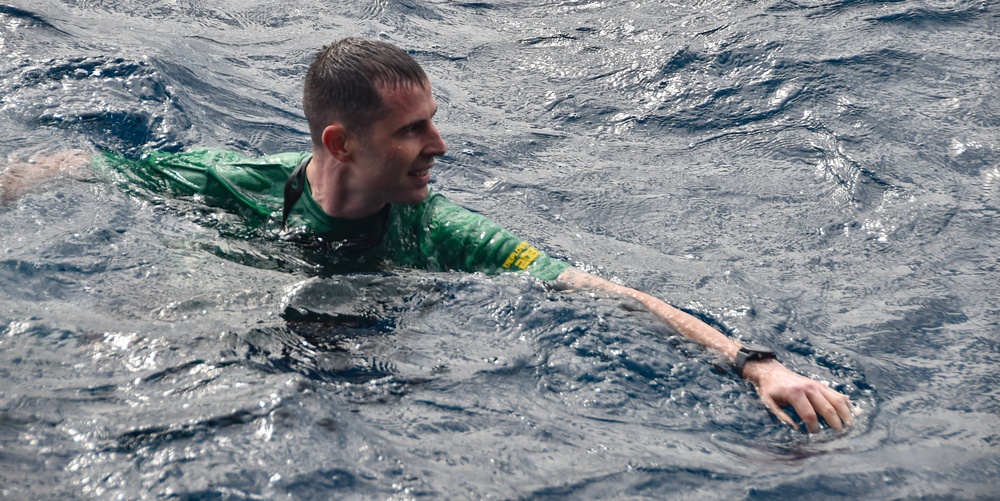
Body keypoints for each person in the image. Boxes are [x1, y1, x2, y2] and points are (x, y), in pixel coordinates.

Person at [5, 38, 855, 433]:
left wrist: (755, 360)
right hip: (220, 332)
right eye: (414, 130)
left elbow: (608, 293)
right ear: (341, 143)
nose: (440, 148)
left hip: (354, 375)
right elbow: (74, 164)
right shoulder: (231, 182)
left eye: (433, 123)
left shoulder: (443, 231)